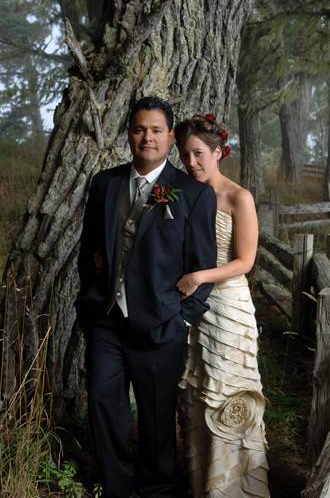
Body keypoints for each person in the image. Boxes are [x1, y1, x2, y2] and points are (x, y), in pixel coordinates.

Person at [76, 96, 217, 498]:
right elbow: (89, 251)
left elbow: (201, 266)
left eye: (156, 130)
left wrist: (182, 319)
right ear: (129, 134)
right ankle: (117, 487)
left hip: (161, 323)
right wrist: (90, 301)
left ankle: (157, 490)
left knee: (157, 419)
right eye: (139, 129)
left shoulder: (192, 193)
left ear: (171, 137)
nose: (147, 137)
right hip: (106, 319)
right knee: (104, 405)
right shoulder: (105, 183)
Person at [174, 113, 270, 497]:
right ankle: (207, 486)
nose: (191, 162)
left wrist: (200, 276)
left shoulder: (237, 197)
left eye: (199, 154)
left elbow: (245, 261)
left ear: (217, 152)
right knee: (198, 394)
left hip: (227, 305)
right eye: (185, 155)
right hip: (189, 306)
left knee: (229, 392)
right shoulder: (181, 192)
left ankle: (238, 487)